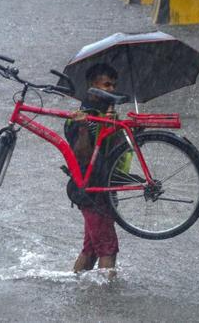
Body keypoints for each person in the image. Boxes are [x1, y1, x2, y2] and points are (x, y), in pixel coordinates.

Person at [65, 63, 122, 278]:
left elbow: (115, 152)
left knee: (90, 250)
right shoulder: (80, 117)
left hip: (105, 188)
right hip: (92, 191)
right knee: (108, 246)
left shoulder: (107, 114)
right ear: (92, 85)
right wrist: (82, 128)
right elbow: (83, 157)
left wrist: (116, 129)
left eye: (114, 85)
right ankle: (108, 300)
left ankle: (76, 284)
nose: (111, 90)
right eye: (106, 84)